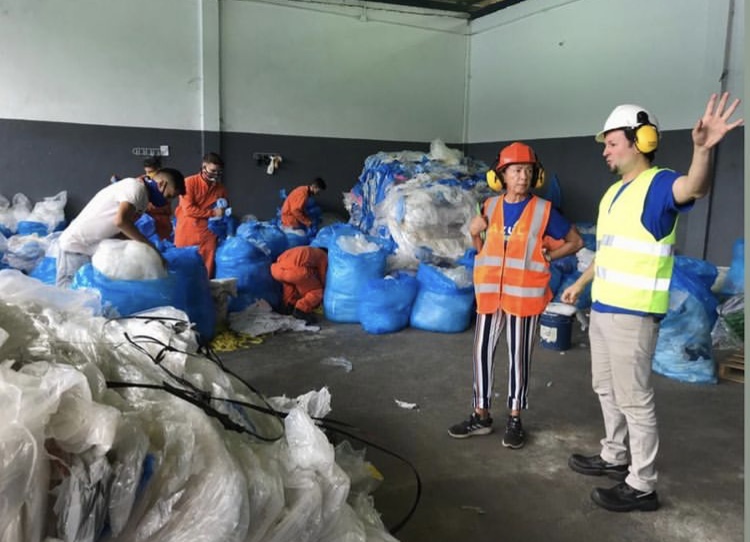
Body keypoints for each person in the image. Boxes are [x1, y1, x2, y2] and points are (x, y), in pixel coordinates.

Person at [561, 92, 743, 512]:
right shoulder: (613, 194)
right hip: (603, 308)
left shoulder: (659, 185)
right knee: (606, 388)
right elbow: (607, 251)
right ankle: (614, 455)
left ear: (641, 141)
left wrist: (702, 150)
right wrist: (582, 284)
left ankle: (642, 485)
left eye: (612, 142)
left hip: (634, 314)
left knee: (634, 398)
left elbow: (693, 187)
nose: (605, 151)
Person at [448, 142, 583, 448]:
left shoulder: (544, 210)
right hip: (490, 296)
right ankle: (480, 415)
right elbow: (482, 250)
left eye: (528, 171)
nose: (523, 176)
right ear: (501, 176)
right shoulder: (489, 207)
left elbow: (576, 241)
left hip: (523, 297)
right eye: (516, 170)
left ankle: (514, 418)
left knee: (518, 358)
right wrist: (473, 232)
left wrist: (550, 255)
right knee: (481, 352)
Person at [55, 168, 186, 288]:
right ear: (162, 184)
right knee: (69, 297)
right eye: (169, 196)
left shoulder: (143, 200)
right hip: (75, 247)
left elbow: (122, 232)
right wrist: (152, 248)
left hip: (89, 249)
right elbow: (121, 221)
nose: (168, 202)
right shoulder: (136, 188)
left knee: (84, 297)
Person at [174, 152, 229, 278]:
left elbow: (224, 210)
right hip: (188, 230)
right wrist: (213, 213)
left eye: (219, 172)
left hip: (209, 233)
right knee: (184, 266)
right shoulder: (189, 183)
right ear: (204, 166)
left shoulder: (221, 189)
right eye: (213, 171)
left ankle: (204, 289)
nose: (215, 174)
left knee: (206, 268)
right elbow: (188, 210)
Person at [270, 246, 328, 324]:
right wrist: (325, 287)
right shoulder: (323, 255)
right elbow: (322, 274)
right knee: (317, 291)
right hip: (294, 272)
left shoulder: (302, 249)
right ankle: (301, 310)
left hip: (276, 270)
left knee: (291, 286)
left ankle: (288, 307)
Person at [138, 156, 174, 241]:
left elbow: (165, 204)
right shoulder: (141, 180)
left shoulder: (166, 182)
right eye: (146, 172)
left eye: (151, 172)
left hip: (162, 222)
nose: (148, 174)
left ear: (158, 169)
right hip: (146, 223)